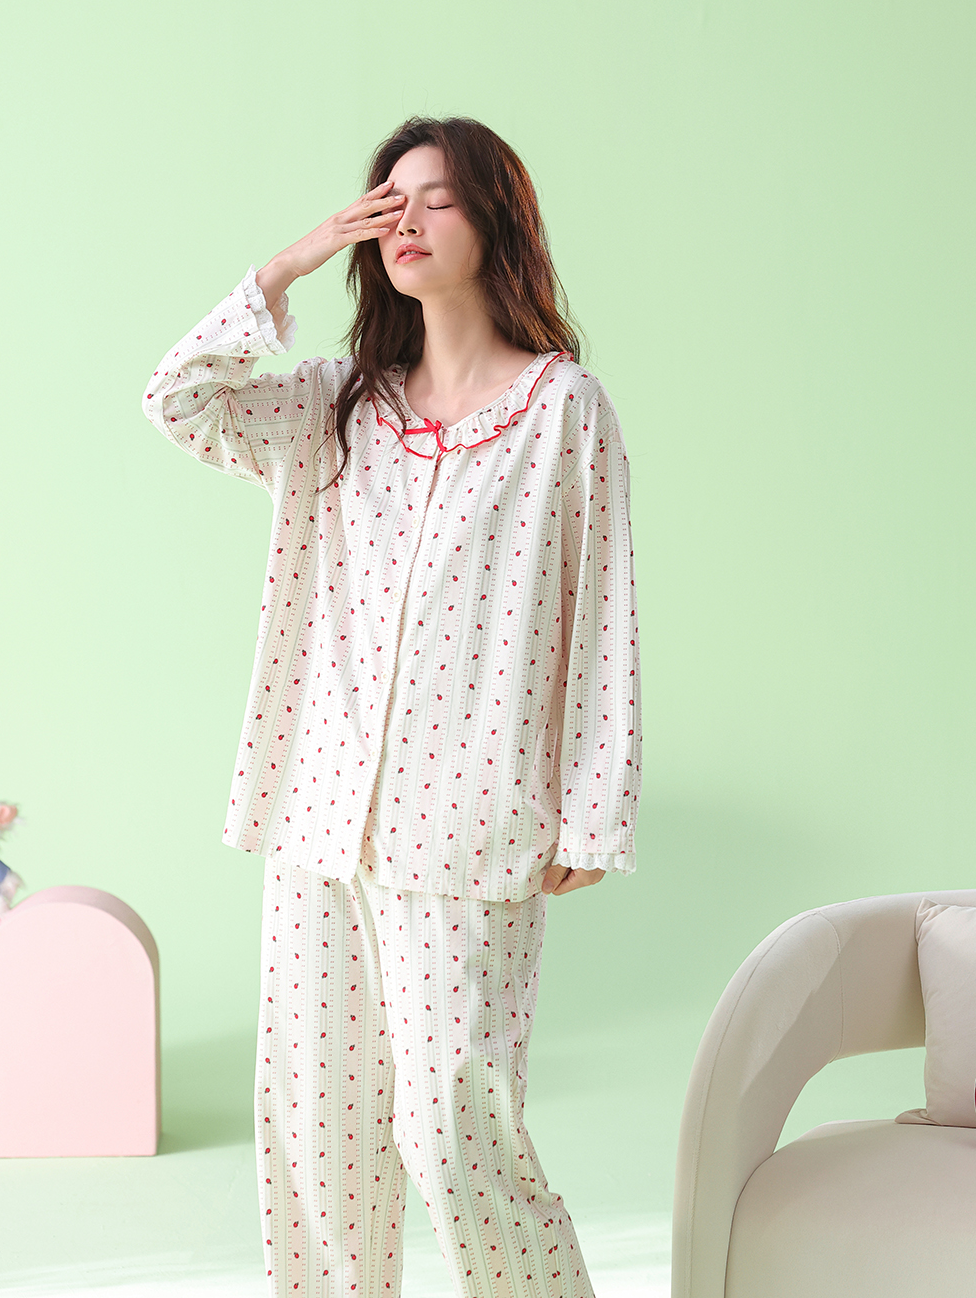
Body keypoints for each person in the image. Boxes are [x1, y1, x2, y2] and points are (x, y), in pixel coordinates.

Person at [141, 115, 642, 1298]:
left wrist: (593, 811)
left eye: (437, 199)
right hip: (318, 819)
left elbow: (601, 611)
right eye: (387, 203)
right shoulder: (337, 406)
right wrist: (291, 263)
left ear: (498, 223)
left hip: (468, 829)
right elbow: (179, 399)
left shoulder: (562, 411)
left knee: (455, 1138)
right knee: (317, 1144)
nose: (405, 221)